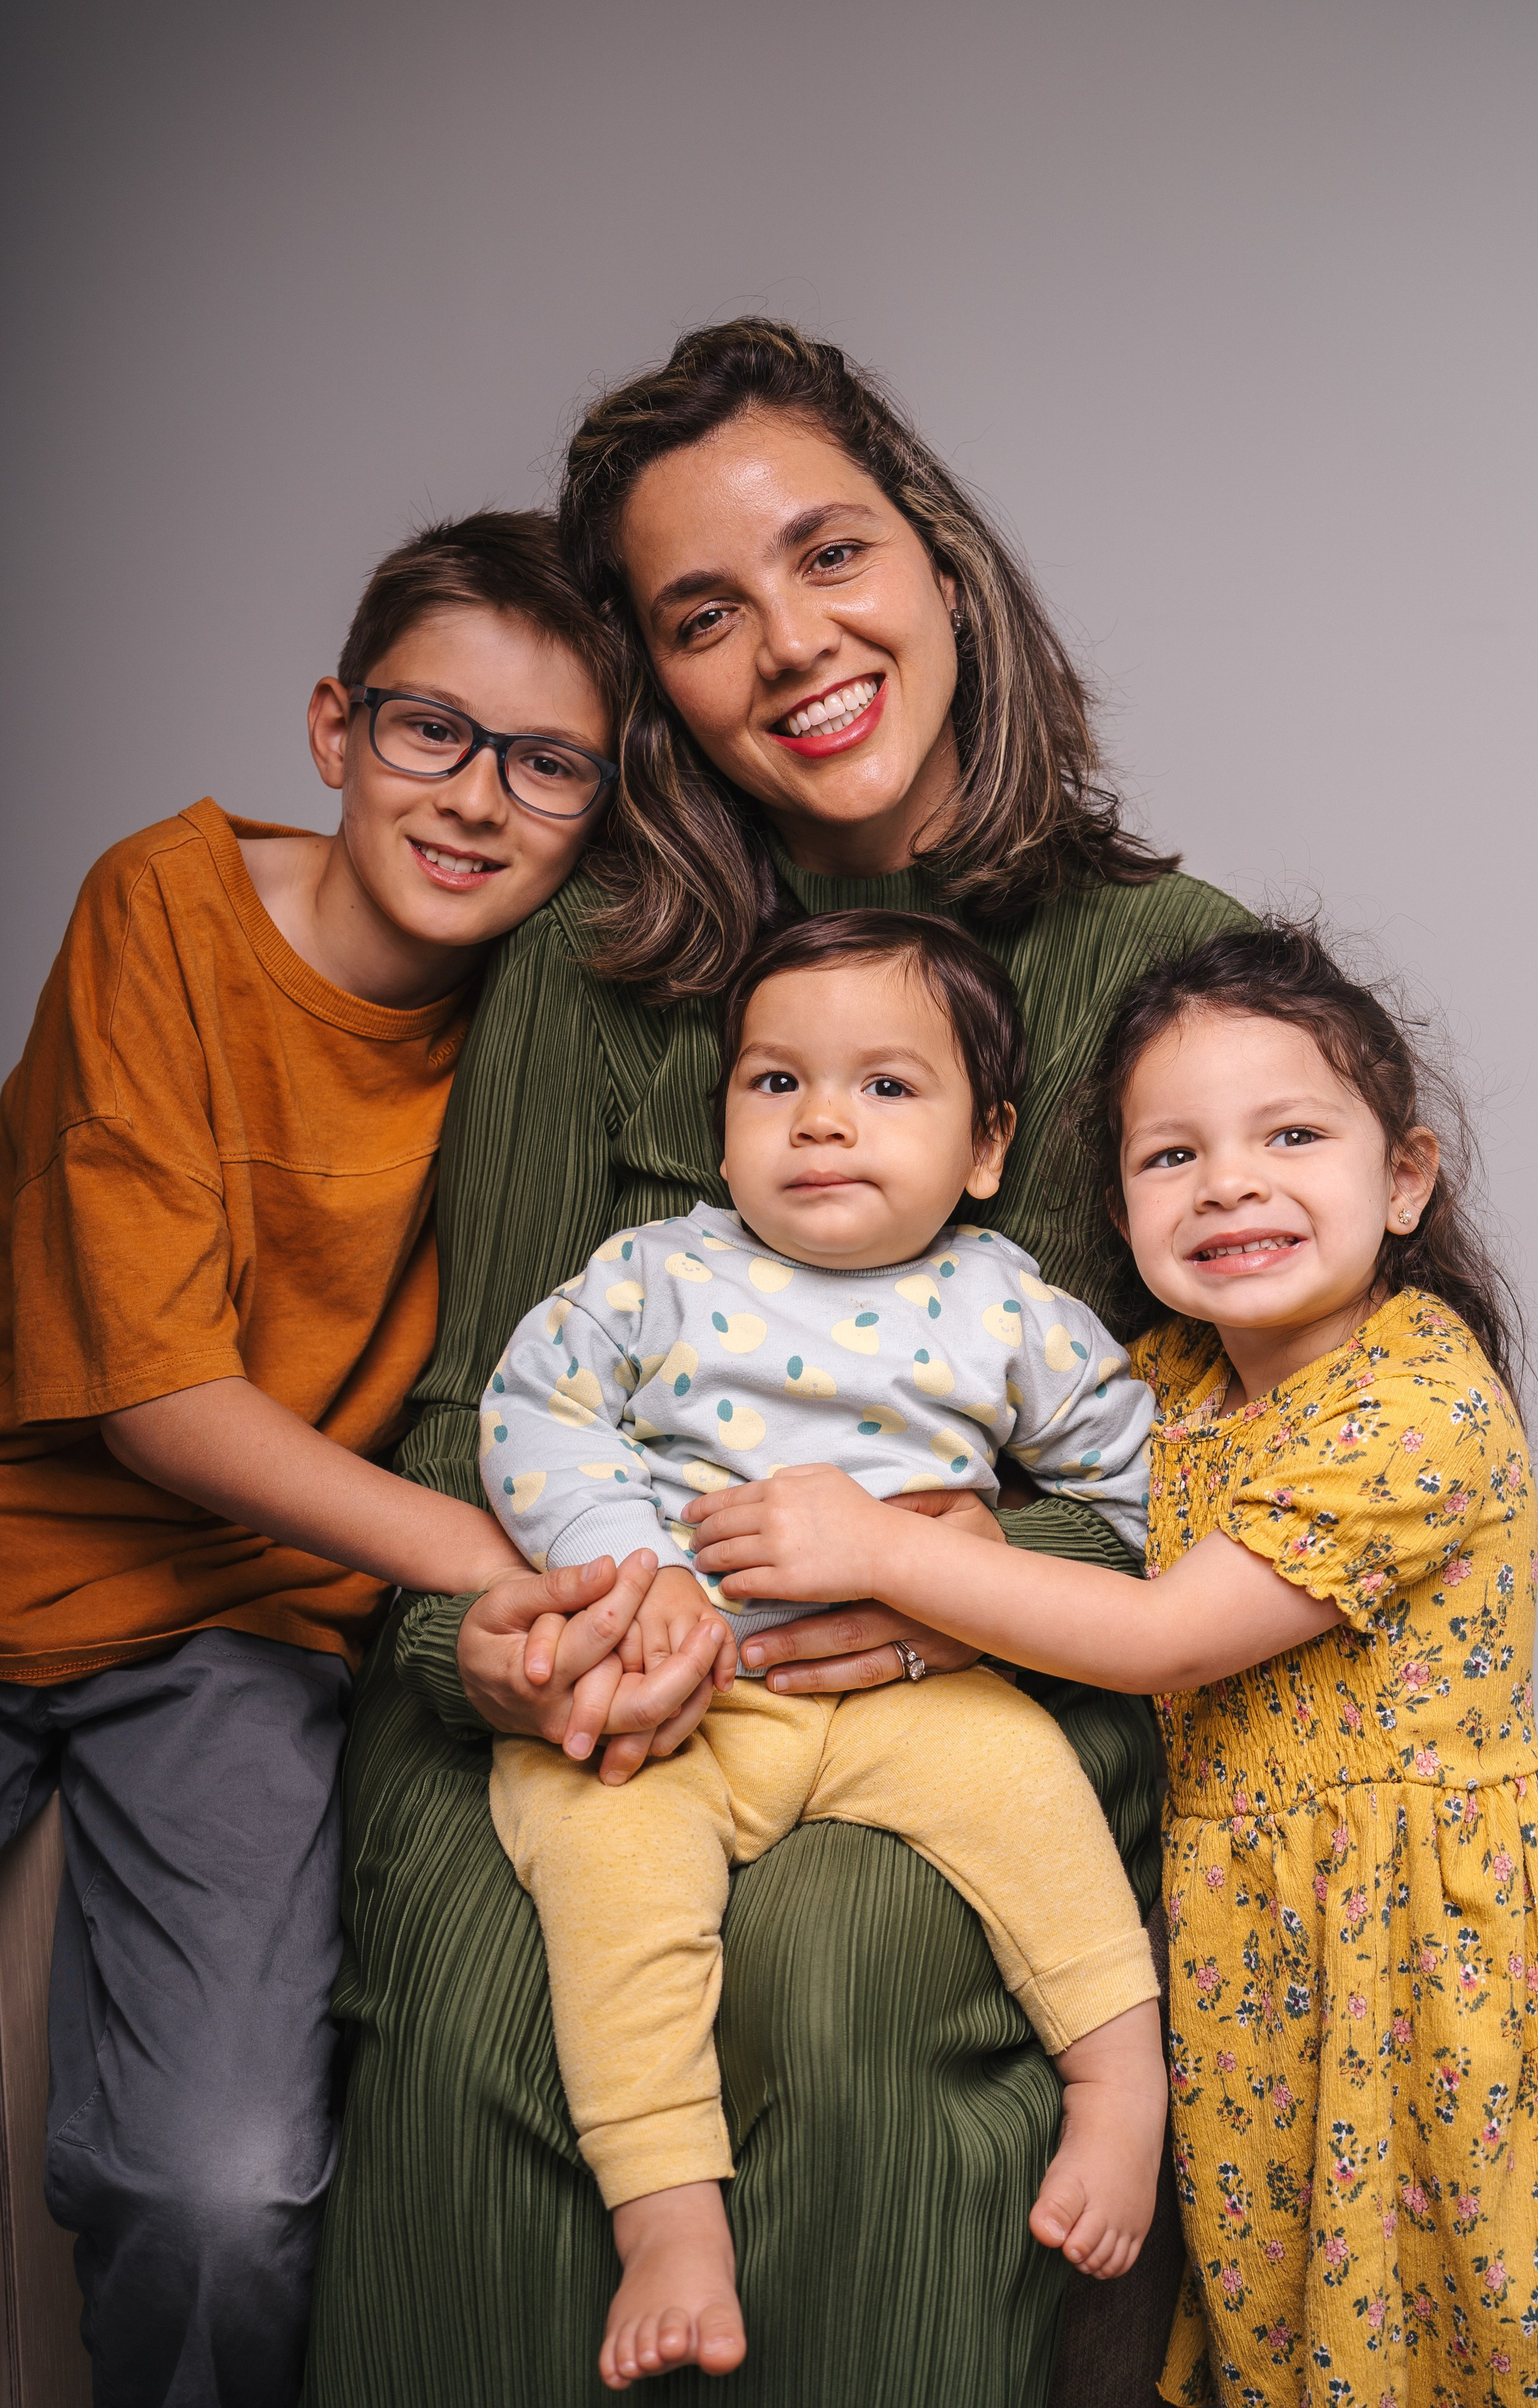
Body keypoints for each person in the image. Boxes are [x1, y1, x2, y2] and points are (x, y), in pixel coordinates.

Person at [304, 320, 1254, 2408]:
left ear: (935, 558)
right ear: (655, 682)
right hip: (603, 1662)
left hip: (999, 1677)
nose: (793, 646)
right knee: (494, 1985)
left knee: (835, 1965)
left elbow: (1196, 1457)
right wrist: (508, 1642)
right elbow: (477, 1412)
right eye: (704, 615)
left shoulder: (1160, 956)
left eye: (832, 555)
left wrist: (941, 1585)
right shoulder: (590, 962)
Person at [682, 921, 1538, 2408]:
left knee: (1472, 2313)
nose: (1227, 1184)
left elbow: (1156, 1633)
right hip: (1252, 1945)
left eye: (1289, 1134)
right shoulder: (1172, 1387)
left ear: (1401, 1177)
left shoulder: (1415, 1404)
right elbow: (1050, 1529)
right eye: (1168, 1157)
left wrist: (886, 1554)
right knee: (1297, 2311)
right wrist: (967, 1537)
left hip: (1428, 1958)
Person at [0, 514, 720, 2408]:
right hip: (20, 1545)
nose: (478, 800)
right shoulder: (159, 906)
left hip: (247, 1635)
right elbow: (160, 1399)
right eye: (432, 733)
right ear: (336, 727)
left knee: (223, 2196)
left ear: (600, 803)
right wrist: (500, 1562)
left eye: (548, 762)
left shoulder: (553, 1000)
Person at [485, 909, 1169, 2388]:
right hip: (689, 1695)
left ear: (985, 1147)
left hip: (914, 1696)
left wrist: (985, 1563)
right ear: (722, 1129)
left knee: (1038, 1810)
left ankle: (1119, 2086)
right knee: (604, 1872)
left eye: (885, 1087)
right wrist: (638, 1571)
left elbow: (1150, 1488)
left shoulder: (1001, 1304)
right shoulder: (654, 1273)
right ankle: (668, 2214)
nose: (822, 1123)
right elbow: (529, 1412)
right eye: (774, 1084)